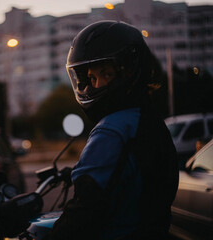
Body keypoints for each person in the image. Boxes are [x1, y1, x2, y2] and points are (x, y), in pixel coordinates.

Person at [48, 21, 179, 240]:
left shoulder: (113, 129)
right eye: (91, 78)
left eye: (106, 74)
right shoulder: (149, 120)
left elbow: (85, 208)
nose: (97, 85)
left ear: (129, 71)